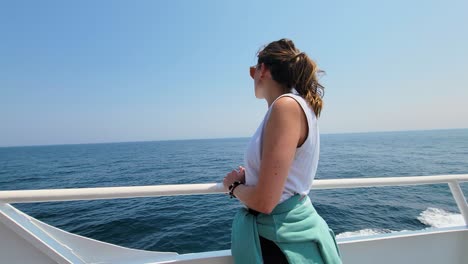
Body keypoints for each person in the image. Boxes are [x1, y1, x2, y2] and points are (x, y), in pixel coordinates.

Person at [223, 38, 343, 264]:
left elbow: (265, 202)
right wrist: (250, 177)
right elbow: (287, 178)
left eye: (253, 70)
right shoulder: (298, 106)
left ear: (263, 70)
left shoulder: (285, 106)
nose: (252, 77)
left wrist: (233, 186)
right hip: (285, 235)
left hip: (280, 245)